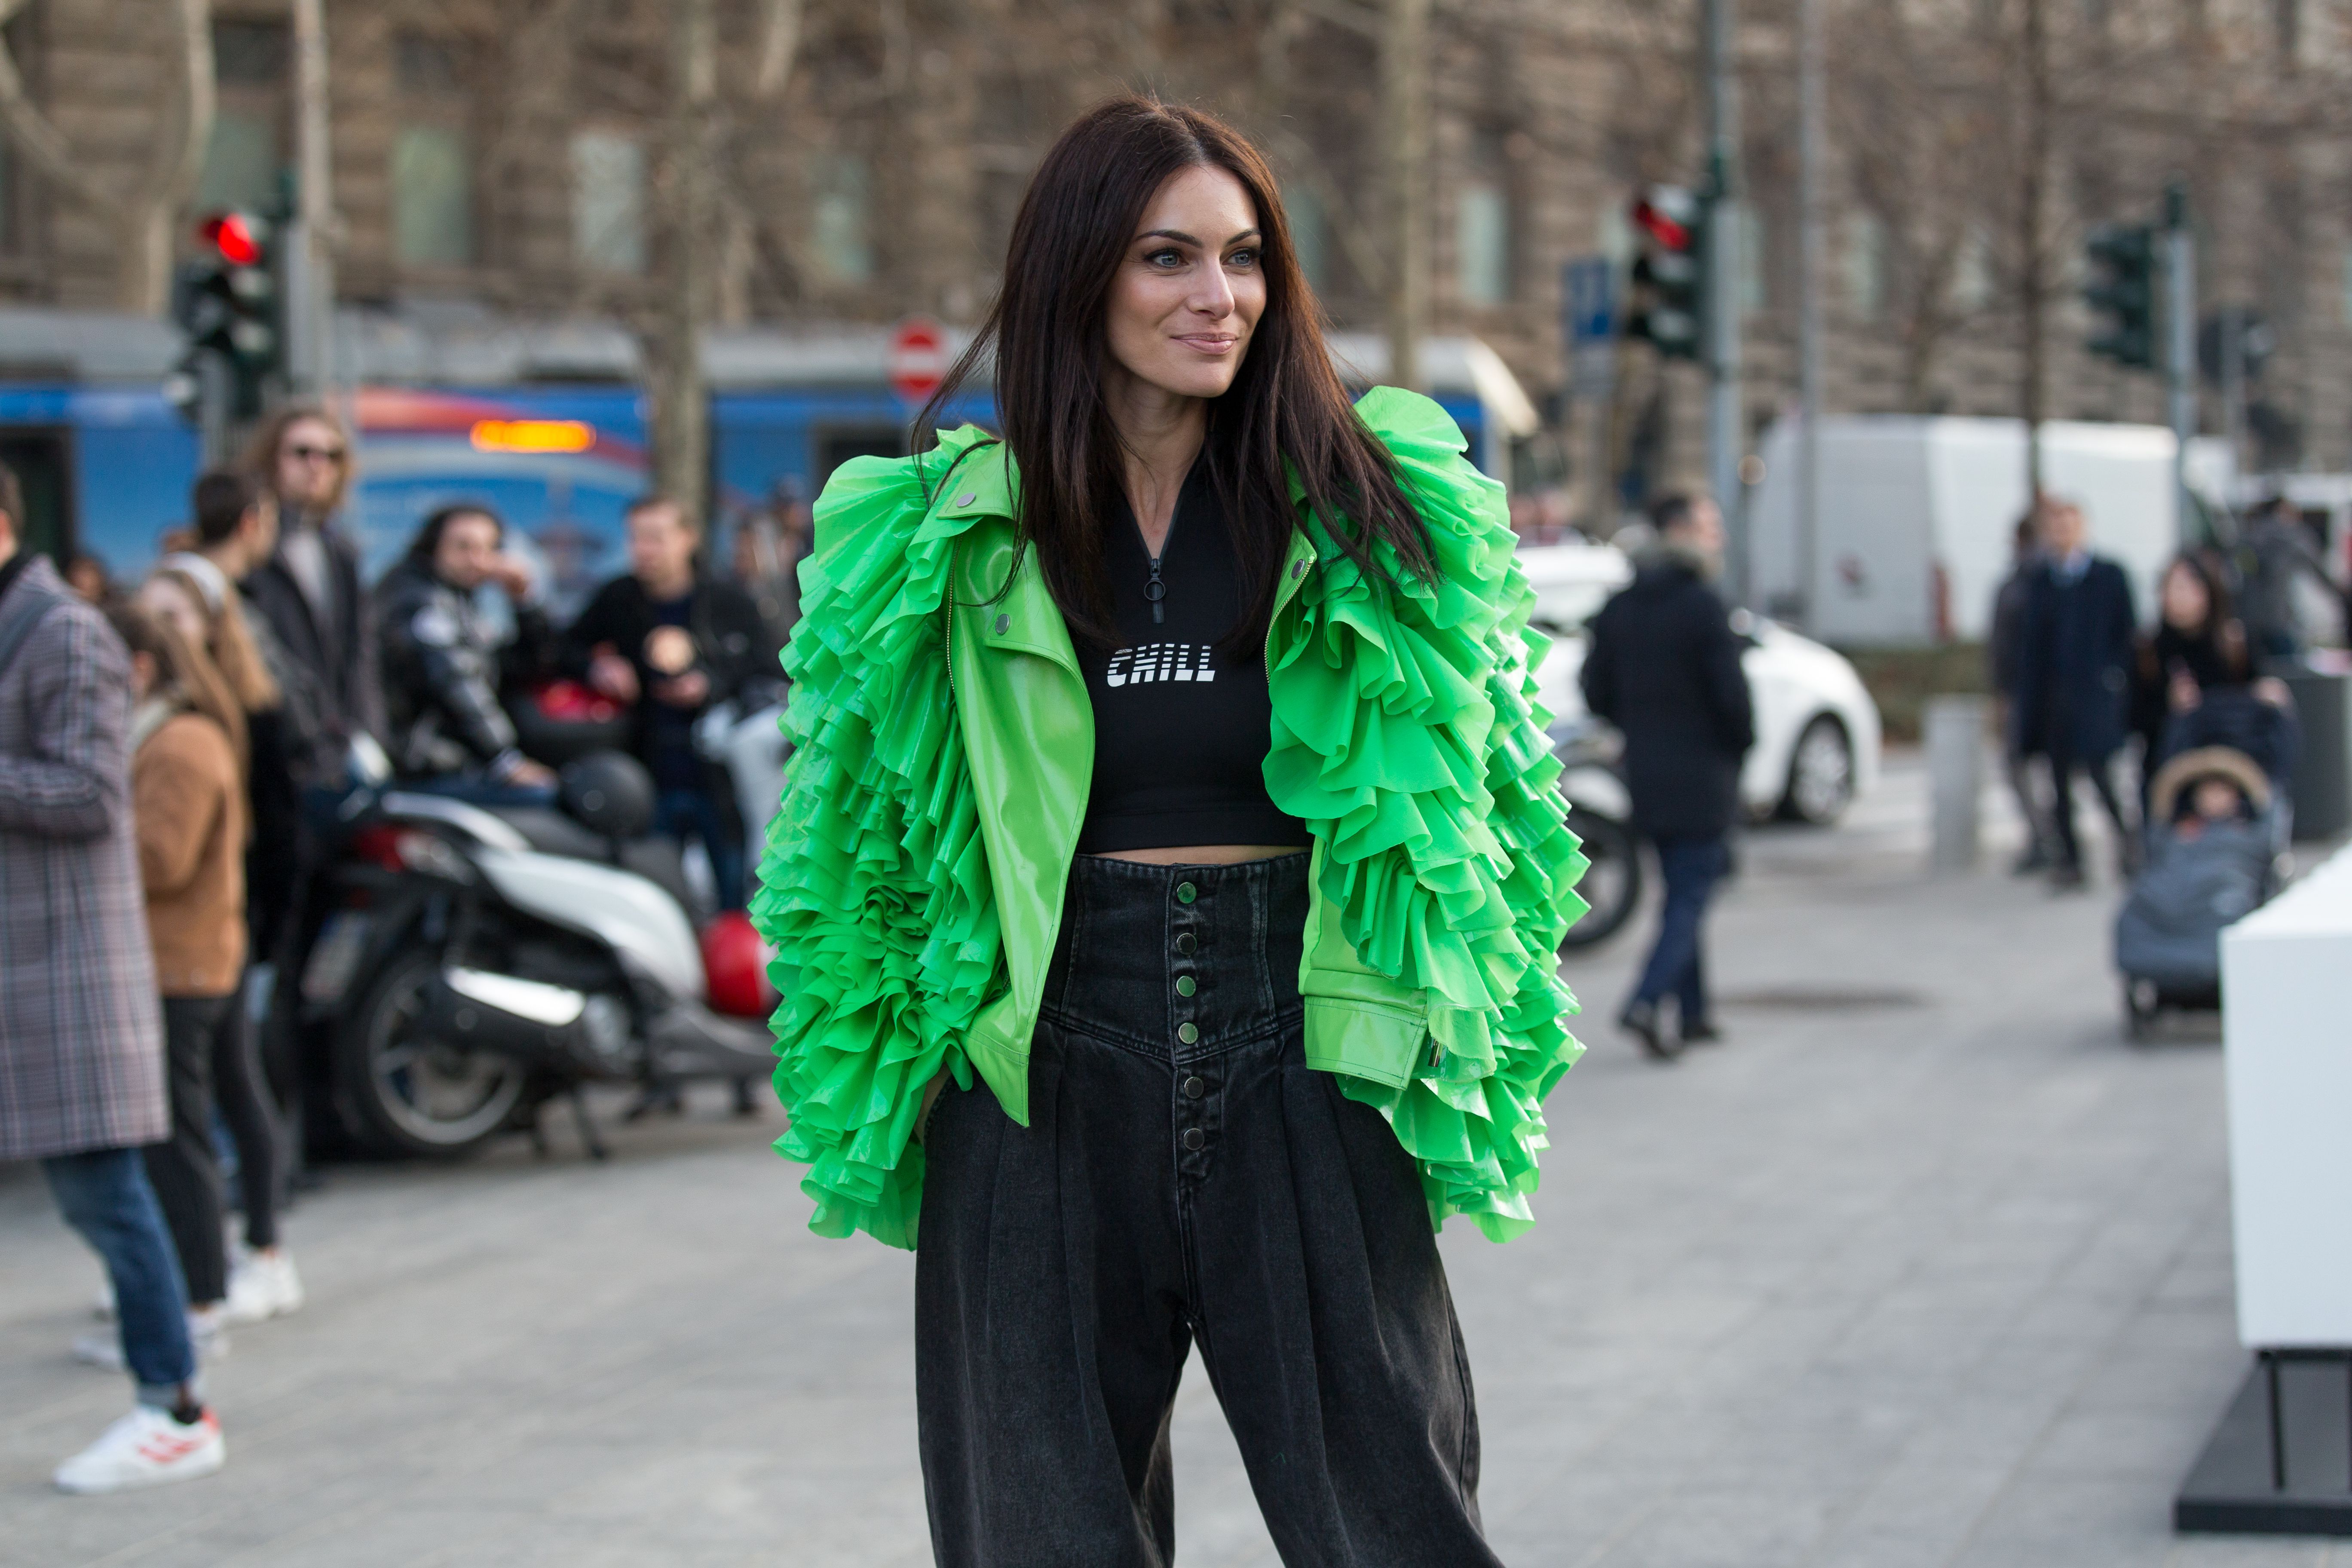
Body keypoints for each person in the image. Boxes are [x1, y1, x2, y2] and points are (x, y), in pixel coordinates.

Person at [757, 97, 1584, 1566]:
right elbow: (860, 839)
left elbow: (1491, 811)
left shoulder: (1370, 509)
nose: (1219, 297)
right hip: (1042, 1061)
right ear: (1078, 272)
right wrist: (913, 1073)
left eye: (1244, 258)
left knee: (1396, 1526)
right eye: (1168, 257)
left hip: (1309, 1045)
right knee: (1037, 1538)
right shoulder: (943, 536)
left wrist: (1453, 1026)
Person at [0, 467, 226, 1492]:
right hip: (32, 965)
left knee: (107, 1194)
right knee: (100, 1197)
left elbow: (91, 794)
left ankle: (173, 1404)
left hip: (63, 970)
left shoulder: (63, 630)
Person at [140, 504, 308, 1326]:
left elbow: (277, 833)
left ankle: (257, 1251)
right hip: (207, 925)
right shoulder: (163, 715)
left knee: (231, 1088)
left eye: (174, 615)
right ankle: (201, 1258)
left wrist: (265, 928)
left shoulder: (232, 715)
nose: (160, 629)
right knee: (223, 1087)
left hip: (227, 924)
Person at [89, 602, 249, 1365]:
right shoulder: (157, 735)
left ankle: (201, 1300)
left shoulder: (179, 742)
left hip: (182, 965)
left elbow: (163, 858)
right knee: (175, 1138)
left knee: (178, 1143)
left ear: (140, 666)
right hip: (178, 960)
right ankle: (184, 1294)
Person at [1582, 492, 1756, 1060]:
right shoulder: (1702, 604)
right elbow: (1732, 697)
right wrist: (1740, 747)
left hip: (1646, 773)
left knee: (1683, 887)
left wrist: (1639, 725)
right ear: (1679, 530)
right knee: (1690, 894)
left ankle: (1695, 1013)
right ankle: (1646, 1000)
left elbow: (1596, 690)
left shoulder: (1621, 606)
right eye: (1709, 525)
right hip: (1704, 775)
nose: (1717, 536)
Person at [566, 495, 773, 909]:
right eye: (635, 538)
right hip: (646, 775)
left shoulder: (728, 600)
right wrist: (599, 668)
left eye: (656, 538)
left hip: (718, 780)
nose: (644, 550)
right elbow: (565, 647)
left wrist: (710, 685)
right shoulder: (618, 598)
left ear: (687, 538)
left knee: (734, 894)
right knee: (655, 896)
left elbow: (768, 670)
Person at [375, 503, 560, 799]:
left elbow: (532, 663)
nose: (477, 560)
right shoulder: (417, 599)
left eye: (487, 550)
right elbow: (454, 678)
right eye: (463, 547)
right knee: (540, 798)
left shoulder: (463, 599)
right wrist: (504, 760)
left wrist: (523, 602)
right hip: (419, 765)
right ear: (434, 546)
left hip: (453, 759)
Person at [240, 404, 384, 763]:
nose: (317, 465)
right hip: (273, 749)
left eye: (331, 456)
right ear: (272, 460)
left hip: (336, 751)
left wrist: (369, 737)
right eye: (302, 452)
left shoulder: (340, 552)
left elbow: (360, 657)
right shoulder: (251, 546)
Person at [2012, 498, 2139, 887]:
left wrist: (2114, 680)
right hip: (2055, 700)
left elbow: (2126, 633)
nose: (2063, 532)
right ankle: (2070, 861)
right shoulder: (2040, 581)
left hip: (2094, 696)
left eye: (2069, 524)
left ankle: (2128, 848)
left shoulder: (2108, 576)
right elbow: (2031, 646)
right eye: (2056, 526)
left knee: (2102, 779)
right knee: (2059, 786)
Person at [1990, 511, 2058, 873]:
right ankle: (2046, 838)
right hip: (2029, 691)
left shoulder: (2030, 583)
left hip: (2030, 692)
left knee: (2029, 769)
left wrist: (2001, 693)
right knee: (2032, 770)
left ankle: (2046, 838)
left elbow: (2001, 646)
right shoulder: (2028, 581)